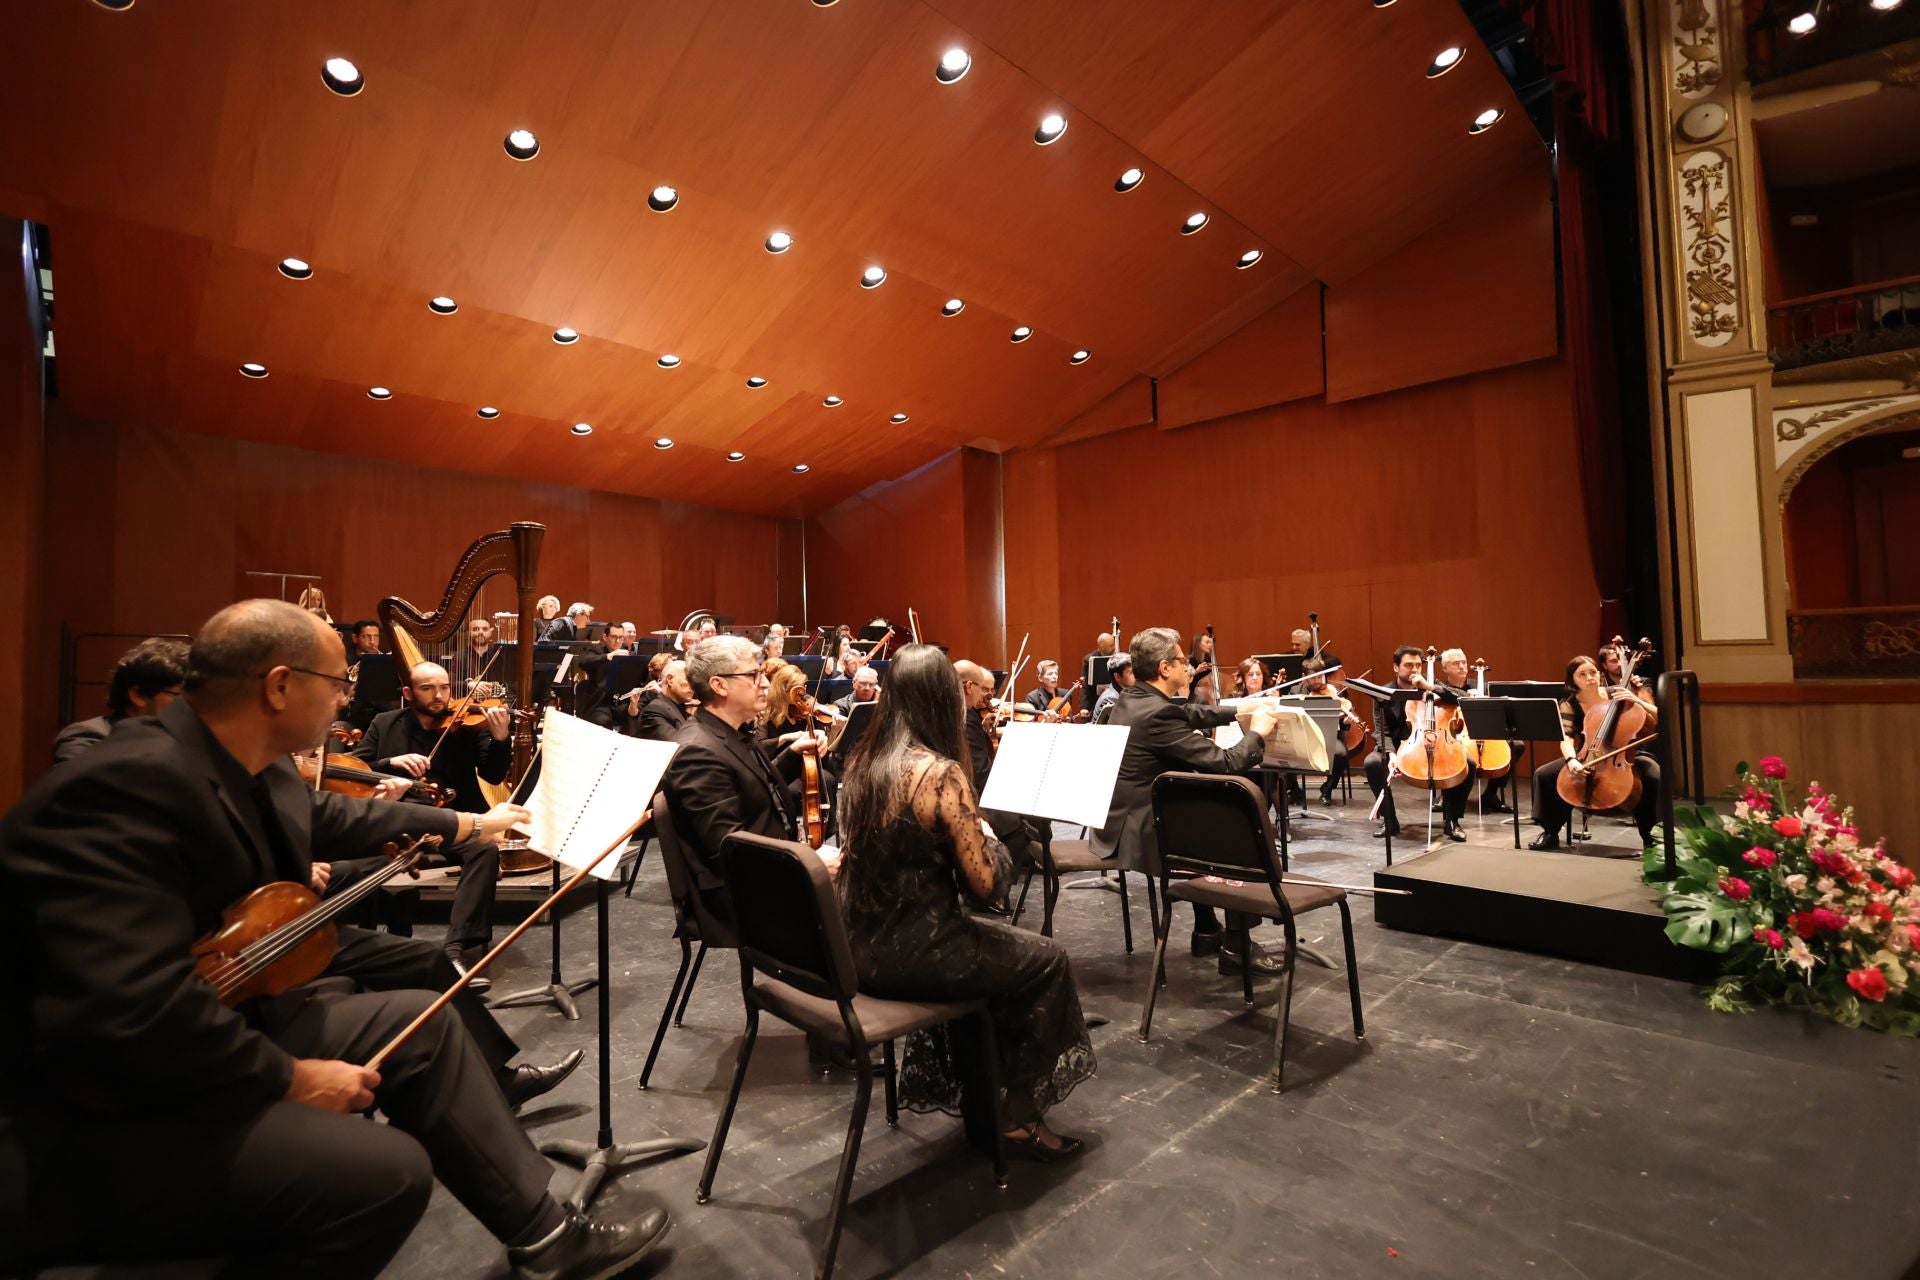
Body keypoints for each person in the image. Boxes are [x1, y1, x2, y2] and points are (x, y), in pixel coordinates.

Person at [0, 600, 664, 1280]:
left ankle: (546, 1240)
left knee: (417, 1024)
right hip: (98, 1102)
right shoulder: (123, 783)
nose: (344, 699)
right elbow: (127, 1012)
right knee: (385, 1173)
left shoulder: (247, 761)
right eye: (337, 682)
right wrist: (291, 1078)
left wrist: (468, 825)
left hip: (204, 1030)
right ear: (280, 686)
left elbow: (328, 813)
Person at [837, 644, 1094, 1159]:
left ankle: (982, 1095)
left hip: (858, 948)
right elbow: (987, 886)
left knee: (1000, 953)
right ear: (941, 700)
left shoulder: (863, 762)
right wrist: (989, 837)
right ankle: (1016, 1117)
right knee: (1048, 960)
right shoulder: (938, 773)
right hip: (919, 952)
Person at [1093, 627, 1281, 972]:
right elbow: (1226, 764)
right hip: (1141, 830)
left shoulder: (1133, 699)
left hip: (1122, 819)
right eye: (1182, 661)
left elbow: (1188, 715)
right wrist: (1257, 733)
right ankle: (1238, 947)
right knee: (1240, 826)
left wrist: (1240, 709)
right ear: (1165, 668)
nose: (1188, 666)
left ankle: (1208, 930)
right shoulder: (1155, 713)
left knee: (1208, 814)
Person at [352, 663, 511, 986]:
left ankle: (456, 947)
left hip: (456, 821)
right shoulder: (385, 724)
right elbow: (356, 766)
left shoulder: (465, 727)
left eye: (444, 688)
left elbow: (493, 775)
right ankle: (377, 944)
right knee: (360, 848)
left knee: (485, 849)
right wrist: (389, 764)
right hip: (402, 820)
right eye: (427, 689)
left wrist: (500, 739)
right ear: (409, 693)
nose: (439, 696)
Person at [664, 636, 815, 920]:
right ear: (719, 685)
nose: (766, 684)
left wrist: (793, 754)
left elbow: (752, 784)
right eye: (753, 675)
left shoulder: (730, 730)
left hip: (772, 867)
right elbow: (729, 848)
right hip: (743, 895)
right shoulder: (697, 751)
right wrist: (806, 863)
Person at [1528, 655, 1662, 851]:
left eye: (1592, 672)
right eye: (1582, 674)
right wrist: (1572, 760)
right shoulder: (1569, 704)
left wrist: (1636, 699)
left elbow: (1660, 715)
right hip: (1588, 754)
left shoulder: (1617, 694)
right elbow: (1565, 737)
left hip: (1627, 753)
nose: (1589, 677)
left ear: (1600, 674)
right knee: (1545, 774)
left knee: (1653, 776)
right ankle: (1550, 832)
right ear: (1572, 680)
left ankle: (1652, 837)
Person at [953, 658, 1038, 871]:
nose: (987, 696)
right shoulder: (965, 717)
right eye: (984, 689)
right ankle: (998, 884)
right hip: (969, 795)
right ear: (969, 687)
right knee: (1018, 822)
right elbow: (980, 773)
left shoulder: (961, 712)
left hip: (960, 787)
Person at [53, 636, 188, 764]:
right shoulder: (87, 736)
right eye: (181, 695)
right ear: (138, 695)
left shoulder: (185, 739)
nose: (190, 707)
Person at [1363, 646, 1425, 840]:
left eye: (1418, 665)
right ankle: (1390, 821)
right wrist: (1390, 753)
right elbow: (1382, 730)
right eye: (1408, 665)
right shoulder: (1383, 693)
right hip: (1395, 746)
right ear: (1396, 668)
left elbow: (1454, 694)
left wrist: (1430, 688)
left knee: (1468, 763)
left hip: (1425, 746)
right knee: (1372, 762)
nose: (1414, 670)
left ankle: (1452, 821)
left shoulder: (1430, 688)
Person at [446, 615, 509, 700]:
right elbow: (450, 683)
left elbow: (512, 685)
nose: (480, 632)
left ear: (490, 632)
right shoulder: (459, 656)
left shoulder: (501, 656)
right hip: (469, 706)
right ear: (468, 633)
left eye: (485, 629)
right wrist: (469, 684)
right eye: (475, 629)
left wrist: (507, 705)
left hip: (495, 706)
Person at [1091, 653, 1134, 723]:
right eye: (1131, 672)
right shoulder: (1110, 698)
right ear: (1117, 676)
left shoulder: (1125, 690)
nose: (1136, 675)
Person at [1188, 631, 1219, 706]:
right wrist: (1196, 671)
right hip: (1193, 697)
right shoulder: (1190, 660)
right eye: (1207, 642)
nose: (1210, 645)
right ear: (1198, 644)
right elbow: (1184, 680)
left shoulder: (1209, 660)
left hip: (1209, 695)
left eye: (1210, 642)